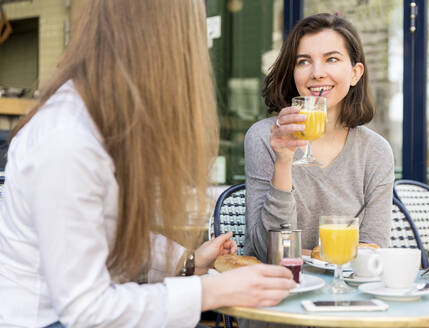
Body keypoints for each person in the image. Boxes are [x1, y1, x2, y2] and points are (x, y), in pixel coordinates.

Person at [0, 1, 296, 327]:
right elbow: (86, 310)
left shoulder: (101, 120)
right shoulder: (68, 139)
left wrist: (187, 261)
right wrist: (209, 290)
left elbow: (105, 230)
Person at [244, 13, 395, 263]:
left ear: (355, 73)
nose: (317, 73)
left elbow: (373, 252)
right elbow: (267, 251)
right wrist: (283, 162)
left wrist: (306, 254)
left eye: (332, 59)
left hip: (347, 295)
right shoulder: (263, 137)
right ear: (293, 72)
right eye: (303, 62)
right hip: (278, 292)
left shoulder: (375, 152)